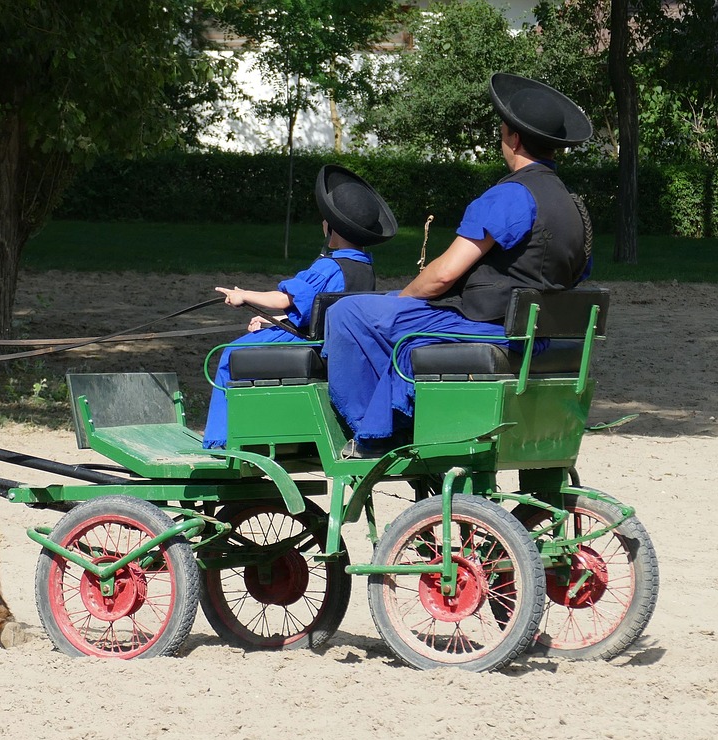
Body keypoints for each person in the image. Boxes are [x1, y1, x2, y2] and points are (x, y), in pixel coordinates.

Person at [322, 72, 594, 457]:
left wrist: (403, 297)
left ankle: (374, 432)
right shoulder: (574, 206)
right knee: (380, 308)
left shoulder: (509, 197)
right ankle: (395, 414)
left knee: (350, 311)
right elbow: (575, 272)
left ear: (514, 138)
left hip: (492, 328)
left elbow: (444, 274)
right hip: (540, 332)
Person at [201, 165, 397, 449]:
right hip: (327, 340)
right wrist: (272, 321)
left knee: (230, 356)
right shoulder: (364, 267)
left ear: (331, 228)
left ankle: (220, 440)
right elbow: (318, 309)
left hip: (306, 340)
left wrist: (243, 295)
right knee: (250, 342)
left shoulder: (328, 266)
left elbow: (287, 299)